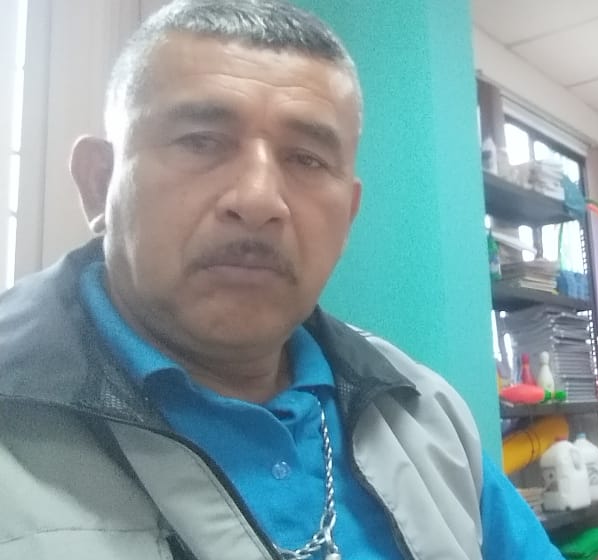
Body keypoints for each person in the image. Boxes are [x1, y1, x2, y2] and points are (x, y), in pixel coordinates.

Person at [0, 1, 562, 558]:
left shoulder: (425, 416)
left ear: (347, 217)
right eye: (200, 140)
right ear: (99, 184)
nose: (258, 199)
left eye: (307, 159)